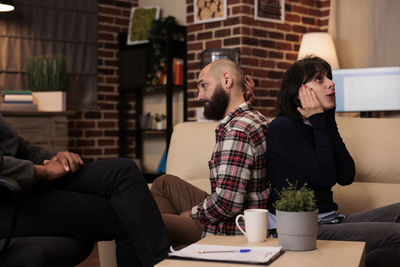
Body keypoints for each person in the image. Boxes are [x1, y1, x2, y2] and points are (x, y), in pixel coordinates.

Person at [267, 55, 400, 267]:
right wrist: (320, 120)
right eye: (319, 79)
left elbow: (346, 176)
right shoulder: (282, 128)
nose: (331, 83)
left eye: (329, 77)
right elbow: (325, 177)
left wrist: (328, 120)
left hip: (332, 219)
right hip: (303, 229)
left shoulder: (315, 125)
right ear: (298, 92)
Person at [0, 114, 170, 267]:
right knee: (125, 214)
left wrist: (55, 159)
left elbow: (17, 145)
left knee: (123, 172)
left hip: (24, 182)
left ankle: (163, 264)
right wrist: (42, 171)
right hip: (7, 199)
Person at [150, 59, 270, 246]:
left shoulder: (237, 131)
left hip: (229, 228)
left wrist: (191, 214)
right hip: (229, 212)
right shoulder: (254, 117)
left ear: (227, 80)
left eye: (204, 86)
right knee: (163, 184)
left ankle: (177, 248)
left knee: (145, 222)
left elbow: (227, 205)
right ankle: (178, 246)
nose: (199, 96)